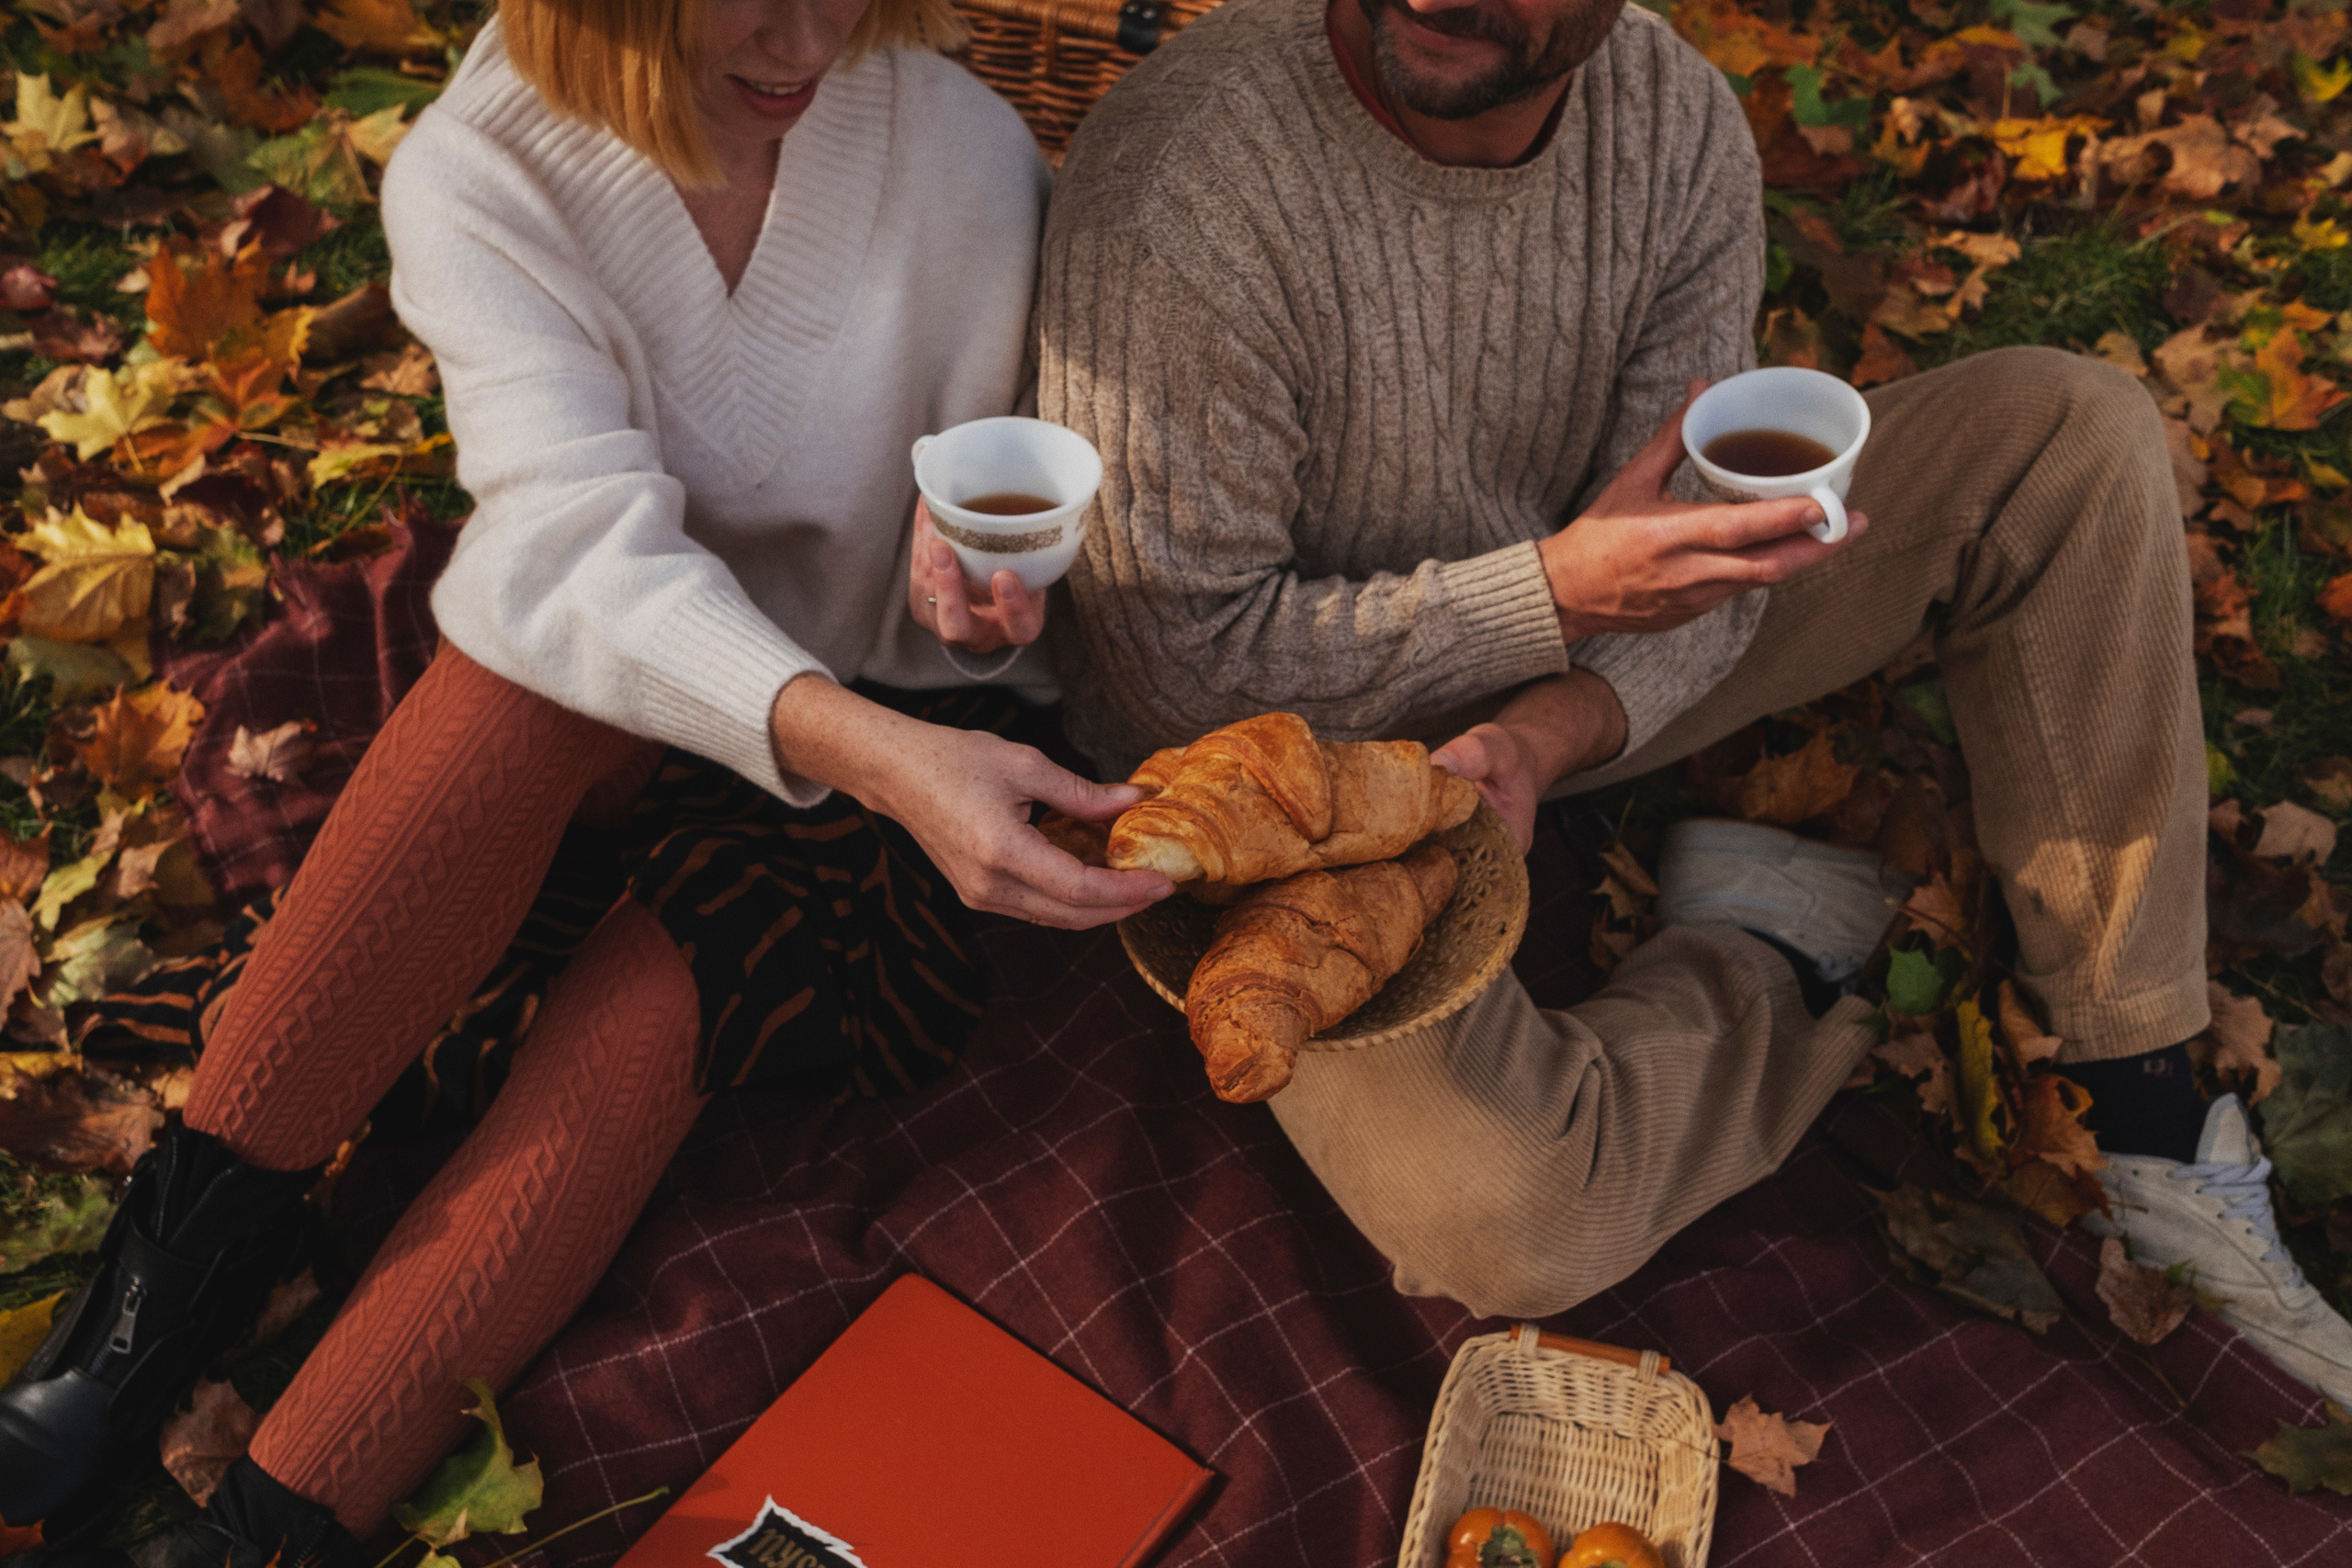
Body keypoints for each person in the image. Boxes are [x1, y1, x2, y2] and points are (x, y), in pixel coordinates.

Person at [1040, 0, 2352, 1404]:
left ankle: (2141, 1100)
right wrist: (1550, 595)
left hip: (1588, 651)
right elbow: (1164, 673)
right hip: (1285, 793)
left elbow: (1693, 549)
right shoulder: (1187, 186)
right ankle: (1766, 955)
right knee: (1518, 1214)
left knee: (2069, 437)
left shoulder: (1671, 122)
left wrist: (1560, 716)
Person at [0, 0, 1170, 1559]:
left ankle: (281, 1518)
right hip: (686, 692)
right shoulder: (480, 174)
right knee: (512, 671)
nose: (809, 40)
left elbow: (995, 541)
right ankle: (139, 1320)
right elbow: (572, 557)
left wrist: (970, 601)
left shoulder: (956, 150)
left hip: (902, 759)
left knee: (679, 977)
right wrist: (839, 723)